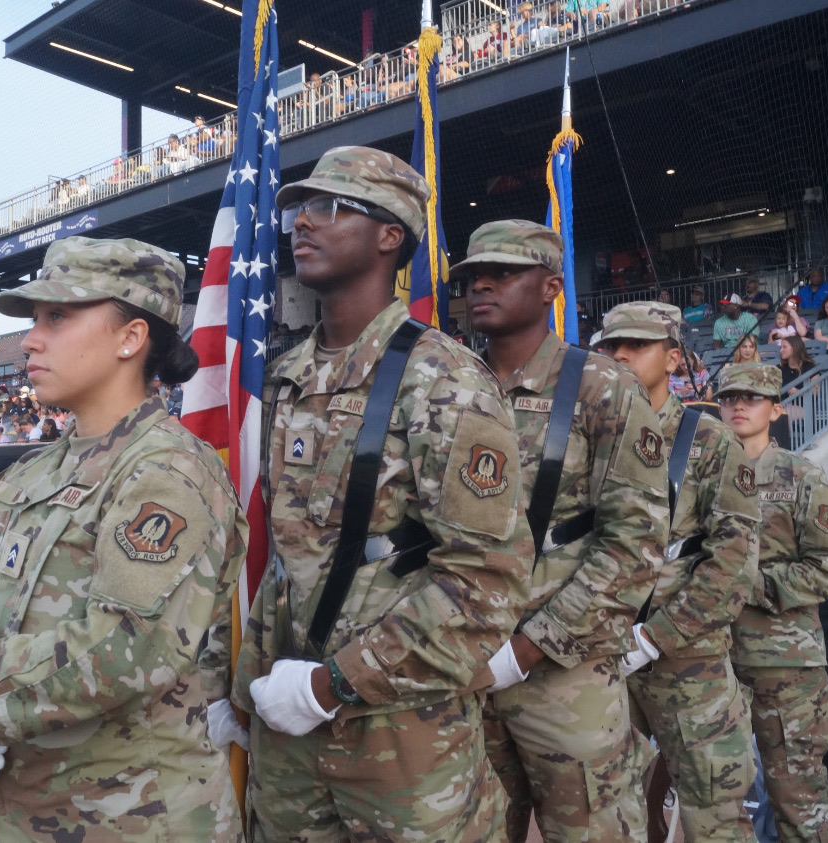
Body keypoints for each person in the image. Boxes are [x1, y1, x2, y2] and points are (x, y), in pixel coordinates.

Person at [0, 236, 247, 841]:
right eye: (35, 319)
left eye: (58, 316)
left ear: (130, 338)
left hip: (134, 820)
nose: (32, 338)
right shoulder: (31, 472)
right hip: (19, 814)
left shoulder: (165, 473)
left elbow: (124, 650)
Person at [231, 148, 532, 841]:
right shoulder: (287, 374)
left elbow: (485, 582)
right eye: (298, 209)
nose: (301, 223)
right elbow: (288, 558)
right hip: (288, 732)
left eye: (329, 207)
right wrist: (250, 686)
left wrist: (331, 685)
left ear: (389, 234)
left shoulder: (442, 378)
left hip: (403, 742)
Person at [456, 221, 668, 841]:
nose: (482, 285)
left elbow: (636, 542)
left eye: (504, 273)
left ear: (551, 287)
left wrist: (528, 650)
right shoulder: (449, 385)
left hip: (562, 673)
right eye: (472, 277)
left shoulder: (601, 386)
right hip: (460, 663)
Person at [599, 303, 761, 843]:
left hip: (685, 660)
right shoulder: (585, 437)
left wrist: (655, 636)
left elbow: (735, 559)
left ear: (672, 358)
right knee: (602, 807)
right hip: (596, 653)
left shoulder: (710, 441)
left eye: (635, 346)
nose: (618, 355)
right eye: (609, 346)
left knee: (712, 810)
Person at [717, 363, 828, 843]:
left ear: (775, 408)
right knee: (715, 798)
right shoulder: (701, 474)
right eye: (729, 397)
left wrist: (742, 583)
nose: (739, 405)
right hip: (711, 660)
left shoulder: (801, 475)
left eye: (751, 398)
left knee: (798, 795)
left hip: (784, 663)